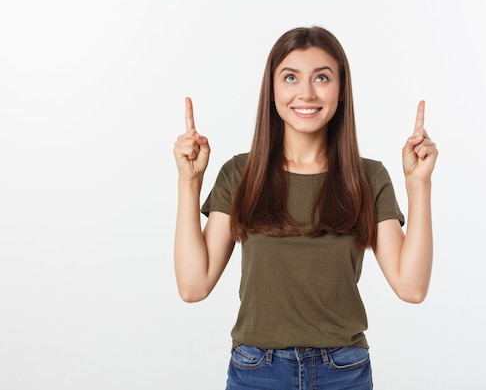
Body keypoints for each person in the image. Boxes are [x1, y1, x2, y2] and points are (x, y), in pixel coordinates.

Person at [173, 26, 438, 390]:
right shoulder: (240, 174)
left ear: (341, 90)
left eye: (322, 78)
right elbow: (193, 285)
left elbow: (412, 288)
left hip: (343, 372)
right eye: (291, 77)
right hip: (257, 371)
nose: (306, 93)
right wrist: (189, 182)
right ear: (273, 90)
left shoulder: (368, 177)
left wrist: (419, 184)